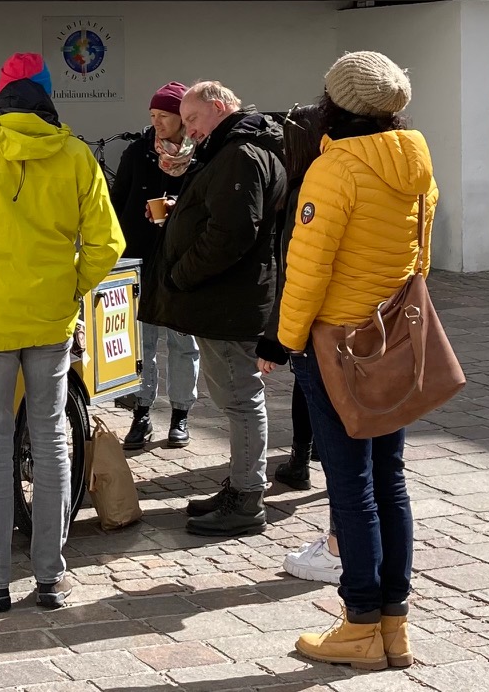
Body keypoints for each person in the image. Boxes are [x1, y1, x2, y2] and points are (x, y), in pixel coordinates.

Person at [0, 52, 123, 612]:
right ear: (47, 97)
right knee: (52, 437)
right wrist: (68, 286)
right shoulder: (77, 154)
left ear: (1, 95)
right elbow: (108, 244)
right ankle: (51, 577)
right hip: (51, 319)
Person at [263, 51, 436, 671]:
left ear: (337, 103)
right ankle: (395, 625)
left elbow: (308, 270)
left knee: (350, 483)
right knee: (390, 478)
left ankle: (360, 621)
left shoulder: (333, 171)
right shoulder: (416, 164)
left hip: (336, 344)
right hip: (390, 339)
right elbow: (420, 258)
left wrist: (282, 340)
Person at [140, 81, 286, 538]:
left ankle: (246, 498)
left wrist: (180, 274)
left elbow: (232, 232)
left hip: (228, 301)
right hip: (229, 298)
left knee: (240, 401)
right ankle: (241, 486)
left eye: (193, 120)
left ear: (219, 108)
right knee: (234, 399)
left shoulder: (241, 154)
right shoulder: (237, 150)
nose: (190, 130)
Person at [258, 102, 343, 586]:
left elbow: (300, 272)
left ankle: (338, 548)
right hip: (368, 324)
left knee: (346, 458)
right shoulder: (391, 167)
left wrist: (278, 340)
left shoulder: (314, 185)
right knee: (378, 464)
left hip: (323, 324)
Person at [109, 82, 200, 451]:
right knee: (142, 343)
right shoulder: (137, 153)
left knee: (182, 342)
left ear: (182, 116)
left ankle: (181, 415)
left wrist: (178, 207)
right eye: (153, 115)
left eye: (164, 115)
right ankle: (142, 412)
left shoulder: (202, 156)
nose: (157, 121)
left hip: (183, 262)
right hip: (142, 259)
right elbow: (116, 205)